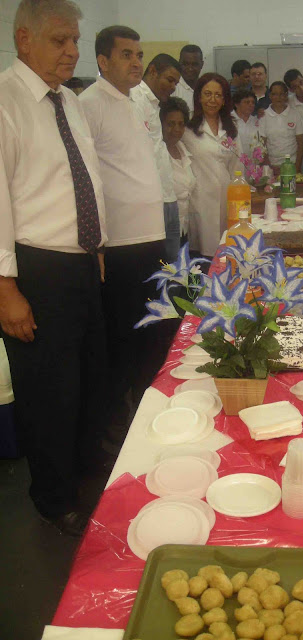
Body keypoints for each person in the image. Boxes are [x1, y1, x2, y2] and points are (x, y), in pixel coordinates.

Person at [0, 0, 108, 536]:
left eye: (75, 41)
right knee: (49, 392)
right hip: (35, 268)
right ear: (24, 39)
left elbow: (79, 179)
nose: (71, 52)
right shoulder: (6, 100)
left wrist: (97, 246)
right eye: (59, 40)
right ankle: (53, 498)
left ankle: (85, 476)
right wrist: (5, 288)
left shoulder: (68, 101)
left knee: (87, 379)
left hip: (82, 263)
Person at [80, 26, 167, 450]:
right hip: (119, 245)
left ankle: (146, 412)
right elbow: (85, 178)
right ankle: (116, 427)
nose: (137, 62)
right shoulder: (88, 104)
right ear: (103, 61)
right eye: (127, 54)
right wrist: (96, 241)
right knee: (122, 339)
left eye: (139, 54)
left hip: (150, 237)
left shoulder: (134, 102)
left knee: (152, 333)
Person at [183, 72, 242, 256]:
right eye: (207, 94)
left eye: (218, 95)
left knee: (226, 252)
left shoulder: (231, 127)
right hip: (199, 200)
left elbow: (237, 167)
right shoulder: (187, 127)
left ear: (224, 100)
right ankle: (198, 277)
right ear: (199, 97)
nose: (212, 100)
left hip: (226, 199)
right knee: (200, 258)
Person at [131, 53, 181, 262]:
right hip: (153, 200)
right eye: (169, 80)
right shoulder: (135, 98)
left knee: (175, 263)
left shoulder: (153, 103)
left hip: (168, 195)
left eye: (176, 83)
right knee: (159, 266)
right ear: (152, 71)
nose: (172, 87)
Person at [161, 97, 196, 244]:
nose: (176, 129)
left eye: (181, 124)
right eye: (171, 124)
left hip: (184, 229)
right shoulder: (156, 154)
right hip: (163, 231)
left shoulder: (184, 150)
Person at [259, 81, 303, 173]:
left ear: (286, 95)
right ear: (270, 96)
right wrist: (269, 167)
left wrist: (297, 167)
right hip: (272, 166)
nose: (278, 97)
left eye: (281, 94)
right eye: (275, 94)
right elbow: (262, 144)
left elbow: (300, 143)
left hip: (292, 164)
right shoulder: (264, 116)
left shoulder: (295, 114)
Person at [173, 44, 203, 115]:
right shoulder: (172, 89)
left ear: (202, 64)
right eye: (185, 64)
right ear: (179, 63)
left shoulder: (207, 88)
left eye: (194, 64)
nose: (190, 69)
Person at [232, 88, 260, 157]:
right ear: (237, 104)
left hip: (253, 162)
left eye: (253, 102)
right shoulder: (229, 121)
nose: (251, 105)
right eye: (247, 102)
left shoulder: (256, 121)